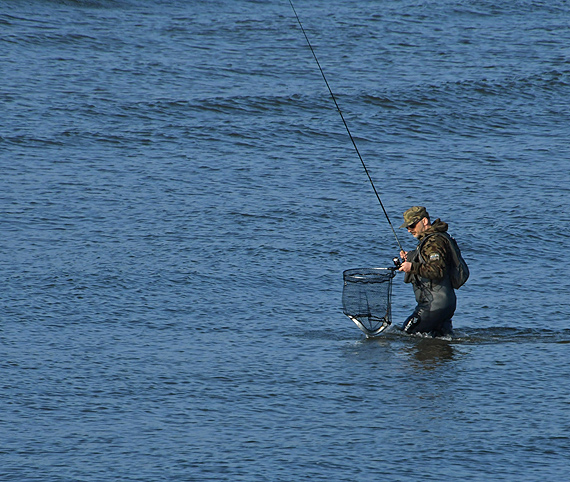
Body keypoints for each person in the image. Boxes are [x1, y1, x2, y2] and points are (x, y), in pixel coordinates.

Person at [397, 206, 456, 337]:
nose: (409, 230)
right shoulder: (434, 239)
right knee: (441, 345)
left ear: (424, 221)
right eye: (407, 227)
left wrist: (411, 267)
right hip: (446, 304)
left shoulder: (434, 241)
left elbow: (436, 270)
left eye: (412, 225)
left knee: (406, 336)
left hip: (434, 306)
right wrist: (412, 257)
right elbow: (432, 261)